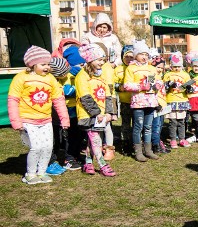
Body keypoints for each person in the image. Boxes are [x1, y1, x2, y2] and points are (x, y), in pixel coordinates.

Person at [8, 46, 70, 184]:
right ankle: (30, 174)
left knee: (47, 147)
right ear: (32, 64)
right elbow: (13, 100)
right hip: (28, 120)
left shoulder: (51, 79)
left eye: (48, 64)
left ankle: (42, 172)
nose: (47, 67)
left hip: (46, 120)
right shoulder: (21, 78)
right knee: (36, 147)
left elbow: (58, 100)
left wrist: (64, 119)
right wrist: (16, 122)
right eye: (43, 64)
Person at [75, 43, 117, 176]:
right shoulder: (82, 76)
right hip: (88, 114)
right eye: (99, 60)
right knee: (96, 139)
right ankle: (102, 165)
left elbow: (108, 94)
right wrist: (96, 113)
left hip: (101, 114)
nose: (102, 62)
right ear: (90, 60)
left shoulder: (101, 75)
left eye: (103, 60)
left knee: (92, 139)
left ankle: (88, 164)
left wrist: (110, 112)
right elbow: (84, 96)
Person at [123, 40, 160, 162]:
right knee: (138, 127)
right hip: (138, 102)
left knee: (148, 126)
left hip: (151, 102)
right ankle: (138, 152)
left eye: (146, 54)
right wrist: (141, 87)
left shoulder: (151, 68)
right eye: (141, 54)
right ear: (136, 55)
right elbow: (127, 85)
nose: (144, 57)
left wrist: (159, 85)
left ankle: (148, 150)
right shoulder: (131, 68)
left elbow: (158, 81)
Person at [46, 57, 72, 176]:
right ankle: (49, 162)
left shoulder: (58, 80)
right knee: (52, 140)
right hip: (50, 118)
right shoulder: (52, 83)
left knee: (59, 138)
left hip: (58, 118)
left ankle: (53, 159)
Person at [163, 52, 192, 148]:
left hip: (182, 100)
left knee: (181, 121)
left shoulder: (185, 75)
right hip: (171, 100)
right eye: (174, 66)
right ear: (171, 66)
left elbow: (190, 89)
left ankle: (182, 139)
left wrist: (188, 87)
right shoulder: (168, 75)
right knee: (173, 122)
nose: (176, 68)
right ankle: (173, 139)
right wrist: (168, 84)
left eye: (178, 66)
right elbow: (164, 88)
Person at [114, 46, 134, 155]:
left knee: (137, 124)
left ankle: (136, 143)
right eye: (126, 56)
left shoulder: (137, 68)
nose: (129, 59)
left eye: (132, 56)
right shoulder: (118, 69)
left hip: (137, 101)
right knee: (126, 124)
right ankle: (125, 144)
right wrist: (119, 87)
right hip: (125, 101)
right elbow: (112, 84)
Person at [150, 55, 170, 154]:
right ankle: (155, 145)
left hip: (163, 105)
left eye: (162, 68)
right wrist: (156, 103)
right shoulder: (152, 76)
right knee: (156, 126)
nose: (160, 69)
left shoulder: (160, 77)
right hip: (156, 105)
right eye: (158, 67)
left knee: (160, 125)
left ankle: (158, 142)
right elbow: (151, 91)